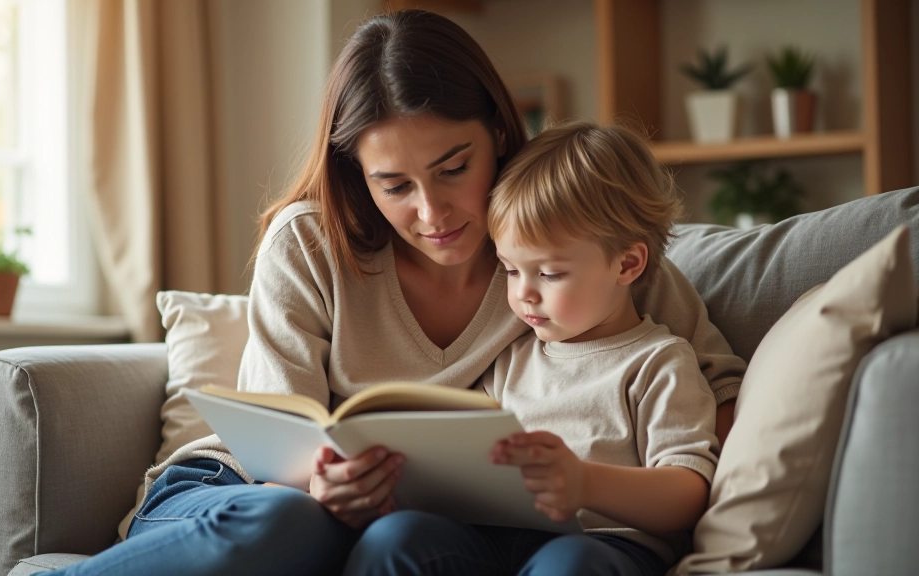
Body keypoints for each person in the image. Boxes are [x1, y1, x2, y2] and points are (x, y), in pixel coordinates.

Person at [42, 10, 744, 576]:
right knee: (296, 519)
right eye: (395, 186)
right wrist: (320, 486)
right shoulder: (311, 243)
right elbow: (273, 452)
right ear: (358, 176)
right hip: (241, 494)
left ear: (499, 134)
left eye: (453, 167)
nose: (433, 214)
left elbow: (716, 390)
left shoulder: (559, 243)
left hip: (425, 527)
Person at [343, 121, 718, 576]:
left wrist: (585, 484)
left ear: (628, 263)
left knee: (570, 565)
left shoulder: (659, 363)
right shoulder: (509, 359)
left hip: (602, 546)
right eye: (510, 270)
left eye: (550, 273)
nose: (524, 294)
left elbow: (688, 494)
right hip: (493, 538)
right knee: (396, 539)